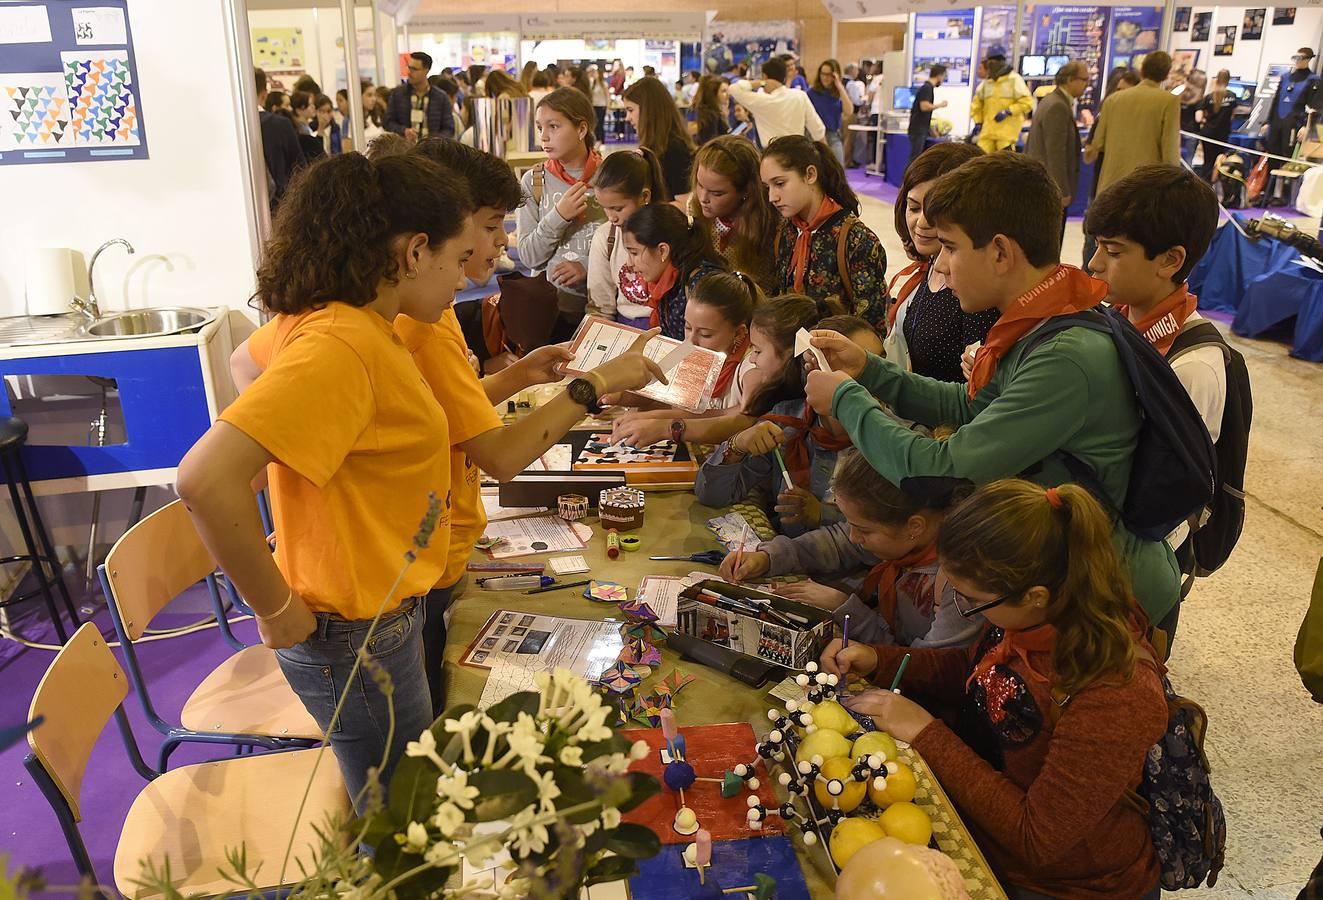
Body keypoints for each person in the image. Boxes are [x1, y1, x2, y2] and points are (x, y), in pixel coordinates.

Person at [178, 153, 475, 810]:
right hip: (353, 631)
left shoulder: (360, 328)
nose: (462, 279)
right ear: (415, 251)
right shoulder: (340, 343)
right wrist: (277, 611)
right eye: (458, 260)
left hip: (378, 619)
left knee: (402, 806)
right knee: (397, 822)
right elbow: (204, 479)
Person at [804, 152, 1182, 635]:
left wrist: (845, 401)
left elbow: (943, 469)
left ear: (1001, 252)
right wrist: (870, 371)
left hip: (1110, 596)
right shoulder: (1040, 320)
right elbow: (971, 408)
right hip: (1060, 573)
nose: (939, 262)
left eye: (950, 247)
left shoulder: (1066, 354)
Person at [821, 479, 1168, 900]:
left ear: (1036, 595)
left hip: (1065, 884)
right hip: (985, 828)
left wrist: (927, 734)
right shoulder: (1028, 620)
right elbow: (980, 676)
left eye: (970, 599)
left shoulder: (1116, 695)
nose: (965, 610)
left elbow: (1037, 839)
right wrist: (880, 659)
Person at [1086, 164, 1222, 607]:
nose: (1094, 263)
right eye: (1097, 245)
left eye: (1114, 250)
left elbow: (1175, 496)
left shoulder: (1195, 365)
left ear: (1170, 260)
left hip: (1132, 566)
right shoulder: (1112, 319)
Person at [724, 447, 982, 649]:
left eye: (864, 529)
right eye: (850, 523)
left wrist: (846, 609)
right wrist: (767, 558)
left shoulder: (960, 586)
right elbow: (838, 542)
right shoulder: (907, 538)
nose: (853, 536)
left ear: (914, 526)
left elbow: (924, 669)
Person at [693, 300, 858, 532]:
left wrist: (823, 514)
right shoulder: (785, 421)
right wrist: (736, 445)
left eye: (758, 350)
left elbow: (887, 528)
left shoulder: (885, 439)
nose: (751, 359)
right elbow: (711, 494)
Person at [609, 270, 768, 448]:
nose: (691, 341)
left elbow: (744, 417)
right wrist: (619, 395)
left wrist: (661, 423)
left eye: (706, 334)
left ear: (739, 333)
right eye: (688, 327)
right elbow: (665, 396)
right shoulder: (692, 351)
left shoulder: (752, 364)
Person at [886, 142, 1000, 383]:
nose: (922, 222)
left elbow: (974, 397)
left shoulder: (976, 290)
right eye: (914, 207)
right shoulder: (930, 263)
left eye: (935, 210)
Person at [763, 134, 890, 328]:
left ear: (810, 175)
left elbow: (872, 326)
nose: (772, 196)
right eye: (768, 187)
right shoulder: (785, 231)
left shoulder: (857, 240)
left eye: (780, 184)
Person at [517, 87, 607, 341]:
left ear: (581, 129)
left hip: (602, 308)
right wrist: (558, 216)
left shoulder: (611, 177)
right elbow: (529, 256)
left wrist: (588, 265)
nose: (544, 137)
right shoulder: (534, 181)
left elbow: (631, 246)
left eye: (554, 126)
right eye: (539, 127)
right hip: (552, 309)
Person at [585, 147, 672, 325]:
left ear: (644, 196)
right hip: (625, 326)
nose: (611, 217)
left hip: (669, 326)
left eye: (618, 208)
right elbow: (600, 306)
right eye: (605, 207)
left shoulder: (672, 230)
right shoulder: (605, 237)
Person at [618, 203, 728, 339]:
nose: (629, 263)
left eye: (634, 253)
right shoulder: (667, 280)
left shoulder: (700, 285)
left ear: (662, 250)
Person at [690, 135, 779, 292]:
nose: (703, 198)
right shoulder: (694, 211)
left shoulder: (767, 225)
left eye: (717, 193)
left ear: (745, 191)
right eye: (700, 185)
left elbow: (767, 290)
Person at [1085, 51, 1180, 195]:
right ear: (1166, 74)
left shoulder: (1113, 100)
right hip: (1146, 185)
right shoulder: (1169, 101)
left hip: (1111, 183)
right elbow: (1170, 149)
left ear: (1142, 70)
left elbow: (1098, 143)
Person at [1024, 59, 1089, 242]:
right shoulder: (1057, 105)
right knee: (1050, 241)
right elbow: (1055, 152)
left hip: (1043, 184)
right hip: (1049, 188)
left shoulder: (1053, 101)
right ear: (1070, 80)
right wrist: (1061, 190)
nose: (1086, 85)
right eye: (1084, 80)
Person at [623, 75, 697, 202]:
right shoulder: (657, 145)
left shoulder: (674, 148)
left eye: (630, 110)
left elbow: (685, 204)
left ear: (649, 110)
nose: (627, 118)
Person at [730, 57, 826, 144]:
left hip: (772, 155)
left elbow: (733, 89)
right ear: (784, 76)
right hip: (798, 152)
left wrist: (761, 83)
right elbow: (818, 131)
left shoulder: (761, 100)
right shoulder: (800, 96)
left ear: (764, 76)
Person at [969, 46, 1032, 154]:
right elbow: (977, 104)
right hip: (987, 132)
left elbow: (1027, 102)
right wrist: (978, 121)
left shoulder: (1014, 80)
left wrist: (1008, 111)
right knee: (980, 161)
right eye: (990, 60)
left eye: (996, 60)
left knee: (1004, 164)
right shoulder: (987, 83)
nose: (993, 63)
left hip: (1006, 134)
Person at [254, 68, 301, 209]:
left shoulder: (229, 128)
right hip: (280, 210)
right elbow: (299, 169)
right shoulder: (279, 124)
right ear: (264, 94)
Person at [386, 51, 456, 141]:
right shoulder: (398, 94)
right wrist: (404, 131)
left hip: (431, 151)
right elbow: (388, 122)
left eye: (414, 69)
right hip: (405, 150)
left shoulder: (441, 97)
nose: (409, 72)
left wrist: (435, 141)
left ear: (426, 71)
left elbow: (449, 128)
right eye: (409, 67)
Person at [1265, 47, 1322, 158]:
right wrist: (1267, 122)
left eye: (1299, 58)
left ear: (1308, 59)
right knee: (1272, 154)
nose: (1296, 61)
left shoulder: (1313, 80)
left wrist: (1307, 126)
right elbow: (1276, 101)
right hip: (1277, 123)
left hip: (1294, 124)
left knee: (1287, 155)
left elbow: (1315, 107)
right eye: (1294, 58)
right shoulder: (1285, 77)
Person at [808, 59, 856, 164]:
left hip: (832, 135)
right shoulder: (811, 93)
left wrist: (840, 86)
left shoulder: (838, 94)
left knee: (838, 169)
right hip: (814, 136)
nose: (825, 77)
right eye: (823, 74)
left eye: (829, 74)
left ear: (835, 75)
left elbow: (849, 111)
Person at [907, 64, 949, 169]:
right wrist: (940, 105)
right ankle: (907, 182)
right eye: (943, 76)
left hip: (920, 128)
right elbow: (924, 107)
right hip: (918, 130)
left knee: (916, 157)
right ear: (939, 75)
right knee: (915, 158)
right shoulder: (927, 88)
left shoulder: (927, 88)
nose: (943, 80)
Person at [1198, 70, 1237, 180]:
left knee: (1207, 161)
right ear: (1228, 80)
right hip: (1222, 133)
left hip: (1208, 133)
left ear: (1217, 79)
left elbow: (1200, 117)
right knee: (1219, 161)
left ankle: (1204, 183)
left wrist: (1207, 121)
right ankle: (1215, 184)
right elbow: (1232, 116)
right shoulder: (1232, 96)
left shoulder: (1209, 97)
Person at [842, 63, 869, 167]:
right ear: (852, 70)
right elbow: (856, 101)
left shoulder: (843, 81)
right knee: (849, 139)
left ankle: (847, 161)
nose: (858, 72)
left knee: (846, 138)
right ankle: (846, 162)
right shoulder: (852, 83)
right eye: (857, 70)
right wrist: (864, 99)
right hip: (850, 113)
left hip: (843, 114)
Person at [693, 75, 732, 145]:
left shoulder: (715, 112)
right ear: (714, 93)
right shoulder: (711, 114)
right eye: (723, 91)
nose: (728, 94)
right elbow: (712, 141)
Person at [588, 64, 610, 138]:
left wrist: (608, 106)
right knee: (595, 124)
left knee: (600, 123)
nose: (594, 74)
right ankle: (597, 138)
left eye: (595, 73)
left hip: (601, 106)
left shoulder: (603, 84)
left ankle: (601, 139)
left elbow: (607, 96)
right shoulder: (592, 84)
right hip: (594, 105)